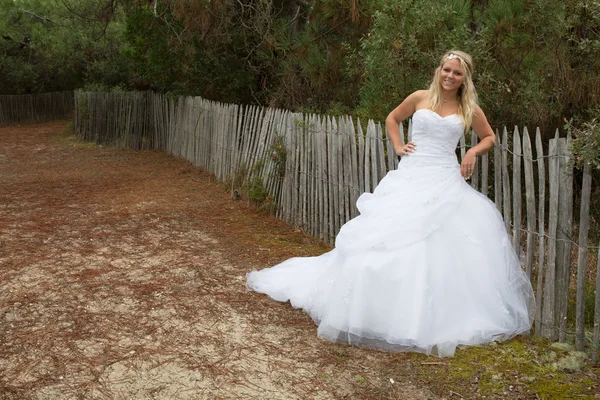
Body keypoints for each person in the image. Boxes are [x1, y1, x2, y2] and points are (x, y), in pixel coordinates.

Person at [246, 50, 534, 357]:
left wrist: (472, 152)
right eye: (446, 70)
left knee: (440, 243)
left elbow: (489, 136)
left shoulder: (469, 108)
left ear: (466, 79)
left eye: (457, 73)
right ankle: (370, 309)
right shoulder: (421, 97)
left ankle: (427, 316)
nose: (450, 76)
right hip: (411, 174)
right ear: (439, 70)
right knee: (383, 239)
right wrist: (398, 145)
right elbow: (393, 118)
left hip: (445, 180)